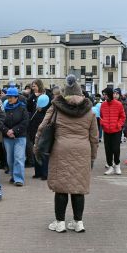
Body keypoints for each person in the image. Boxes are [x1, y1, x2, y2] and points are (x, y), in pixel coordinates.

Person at [35, 75, 98, 233]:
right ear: (81, 94)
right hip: (83, 150)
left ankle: (60, 222)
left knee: (61, 187)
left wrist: (37, 146)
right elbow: (94, 138)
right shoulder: (90, 112)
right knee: (79, 187)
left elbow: (42, 127)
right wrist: (92, 157)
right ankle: (78, 222)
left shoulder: (56, 107)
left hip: (61, 149)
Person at [1, 87, 29, 186]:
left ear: (16, 97)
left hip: (20, 137)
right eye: (8, 97)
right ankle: (13, 175)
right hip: (7, 137)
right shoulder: (4, 108)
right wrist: (7, 131)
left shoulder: (22, 108)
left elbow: (25, 122)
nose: (9, 99)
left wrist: (14, 130)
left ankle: (19, 179)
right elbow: (0, 121)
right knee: (10, 159)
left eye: (11, 97)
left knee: (19, 157)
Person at [100, 86, 125, 175]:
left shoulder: (118, 104)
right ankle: (110, 167)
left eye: (105, 95)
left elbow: (122, 117)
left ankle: (117, 165)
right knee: (108, 149)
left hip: (116, 131)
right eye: (104, 95)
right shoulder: (103, 105)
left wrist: (118, 125)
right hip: (106, 131)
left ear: (109, 94)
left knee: (116, 148)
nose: (104, 96)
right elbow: (101, 116)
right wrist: (103, 123)